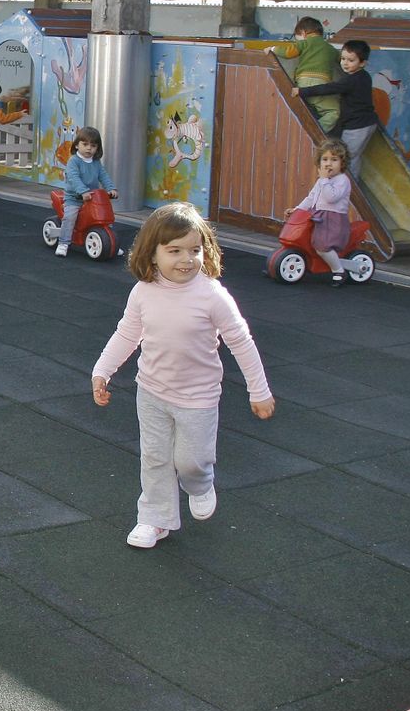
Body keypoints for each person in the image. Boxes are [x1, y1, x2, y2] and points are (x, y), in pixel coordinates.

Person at [91, 203, 275, 550]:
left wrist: (259, 391)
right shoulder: (144, 292)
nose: (186, 259)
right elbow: (127, 335)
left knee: (191, 462)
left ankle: (201, 483)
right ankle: (154, 519)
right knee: (156, 458)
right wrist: (103, 370)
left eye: (194, 250)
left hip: (198, 399)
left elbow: (241, 342)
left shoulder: (211, 295)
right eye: (174, 251)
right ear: (152, 253)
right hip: (152, 392)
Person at [298, 39, 376, 172]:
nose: (345, 63)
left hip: (356, 126)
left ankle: (347, 187)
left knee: (346, 158)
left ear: (362, 63)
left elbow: (330, 88)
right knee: (354, 157)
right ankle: (352, 185)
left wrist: (302, 91)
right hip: (368, 123)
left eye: (351, 60)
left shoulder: (351, 80)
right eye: (343, 58)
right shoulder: (364, 76)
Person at [288, 139, 354, 287]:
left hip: (332, 220)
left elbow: (331, 197)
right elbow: (311, 198)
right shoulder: (321, 181)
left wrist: (324, 180)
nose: (328, 164)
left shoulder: (342, 180)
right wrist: (298, 209)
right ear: (319, 163)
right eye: (325, 159)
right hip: (318, 216)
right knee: (307, 240)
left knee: (322, 247)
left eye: (334, 160)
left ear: (342, 163)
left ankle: (338, 270)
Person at [269, 16, 343, 133]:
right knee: (333, 112)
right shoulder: (330, 49)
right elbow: (342, 62)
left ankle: (309, 132)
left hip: (302, 84)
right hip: (320, 85)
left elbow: (288, 52)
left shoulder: (304, 43)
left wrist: (272, 48)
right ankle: (316, 133)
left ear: (303, 33)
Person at [55, 125, 119, 258]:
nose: (89, 148)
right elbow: (73, 177)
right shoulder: (74, 161)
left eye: (93, 145)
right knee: (70, 217)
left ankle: (109, 241)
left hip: (92, 198)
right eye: (85, 144)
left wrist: (110, 188)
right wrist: (83, 191)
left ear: (97, 148)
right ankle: (64, 242)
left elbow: (103, 175)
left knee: (104, 218)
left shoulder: (96, 162)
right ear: (77, 145)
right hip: (75, 197)